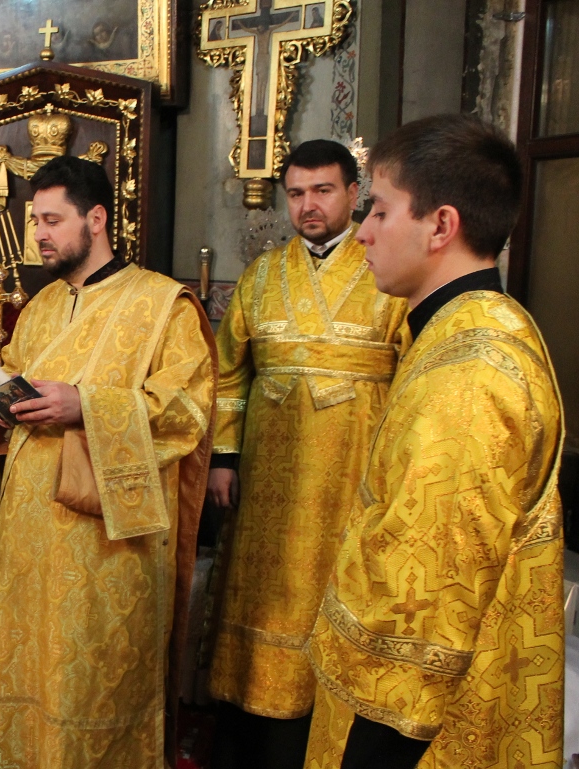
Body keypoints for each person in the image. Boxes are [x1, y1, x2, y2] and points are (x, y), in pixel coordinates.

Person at [303, 115, 564, 769]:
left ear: (441, 225)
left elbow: (429, 613)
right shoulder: (470, 326)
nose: (363, 231)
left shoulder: (469, 377)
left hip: (418, 733)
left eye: (380, 210)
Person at [0, 155, 216, 767]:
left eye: (53, 220)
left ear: (97, 219)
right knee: (23, 663)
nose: (39, 234)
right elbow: (15, 381)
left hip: (101, 540)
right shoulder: (42, 305)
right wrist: (0, 400)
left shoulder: (164, 305)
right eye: (35, 221)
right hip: (26, 531)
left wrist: (85, 405)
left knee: (88, 677)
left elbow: (185, 410)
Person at [205, 140, 407, 769]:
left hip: (353, 471)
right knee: (261, 595)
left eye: (322, 191)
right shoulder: (263, 275)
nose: (307, 205)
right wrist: (223, 457)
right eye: (296, 193)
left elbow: (412, 375)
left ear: (354, 193)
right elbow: (229, 372)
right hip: (268, 477)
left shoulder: (388, 271)